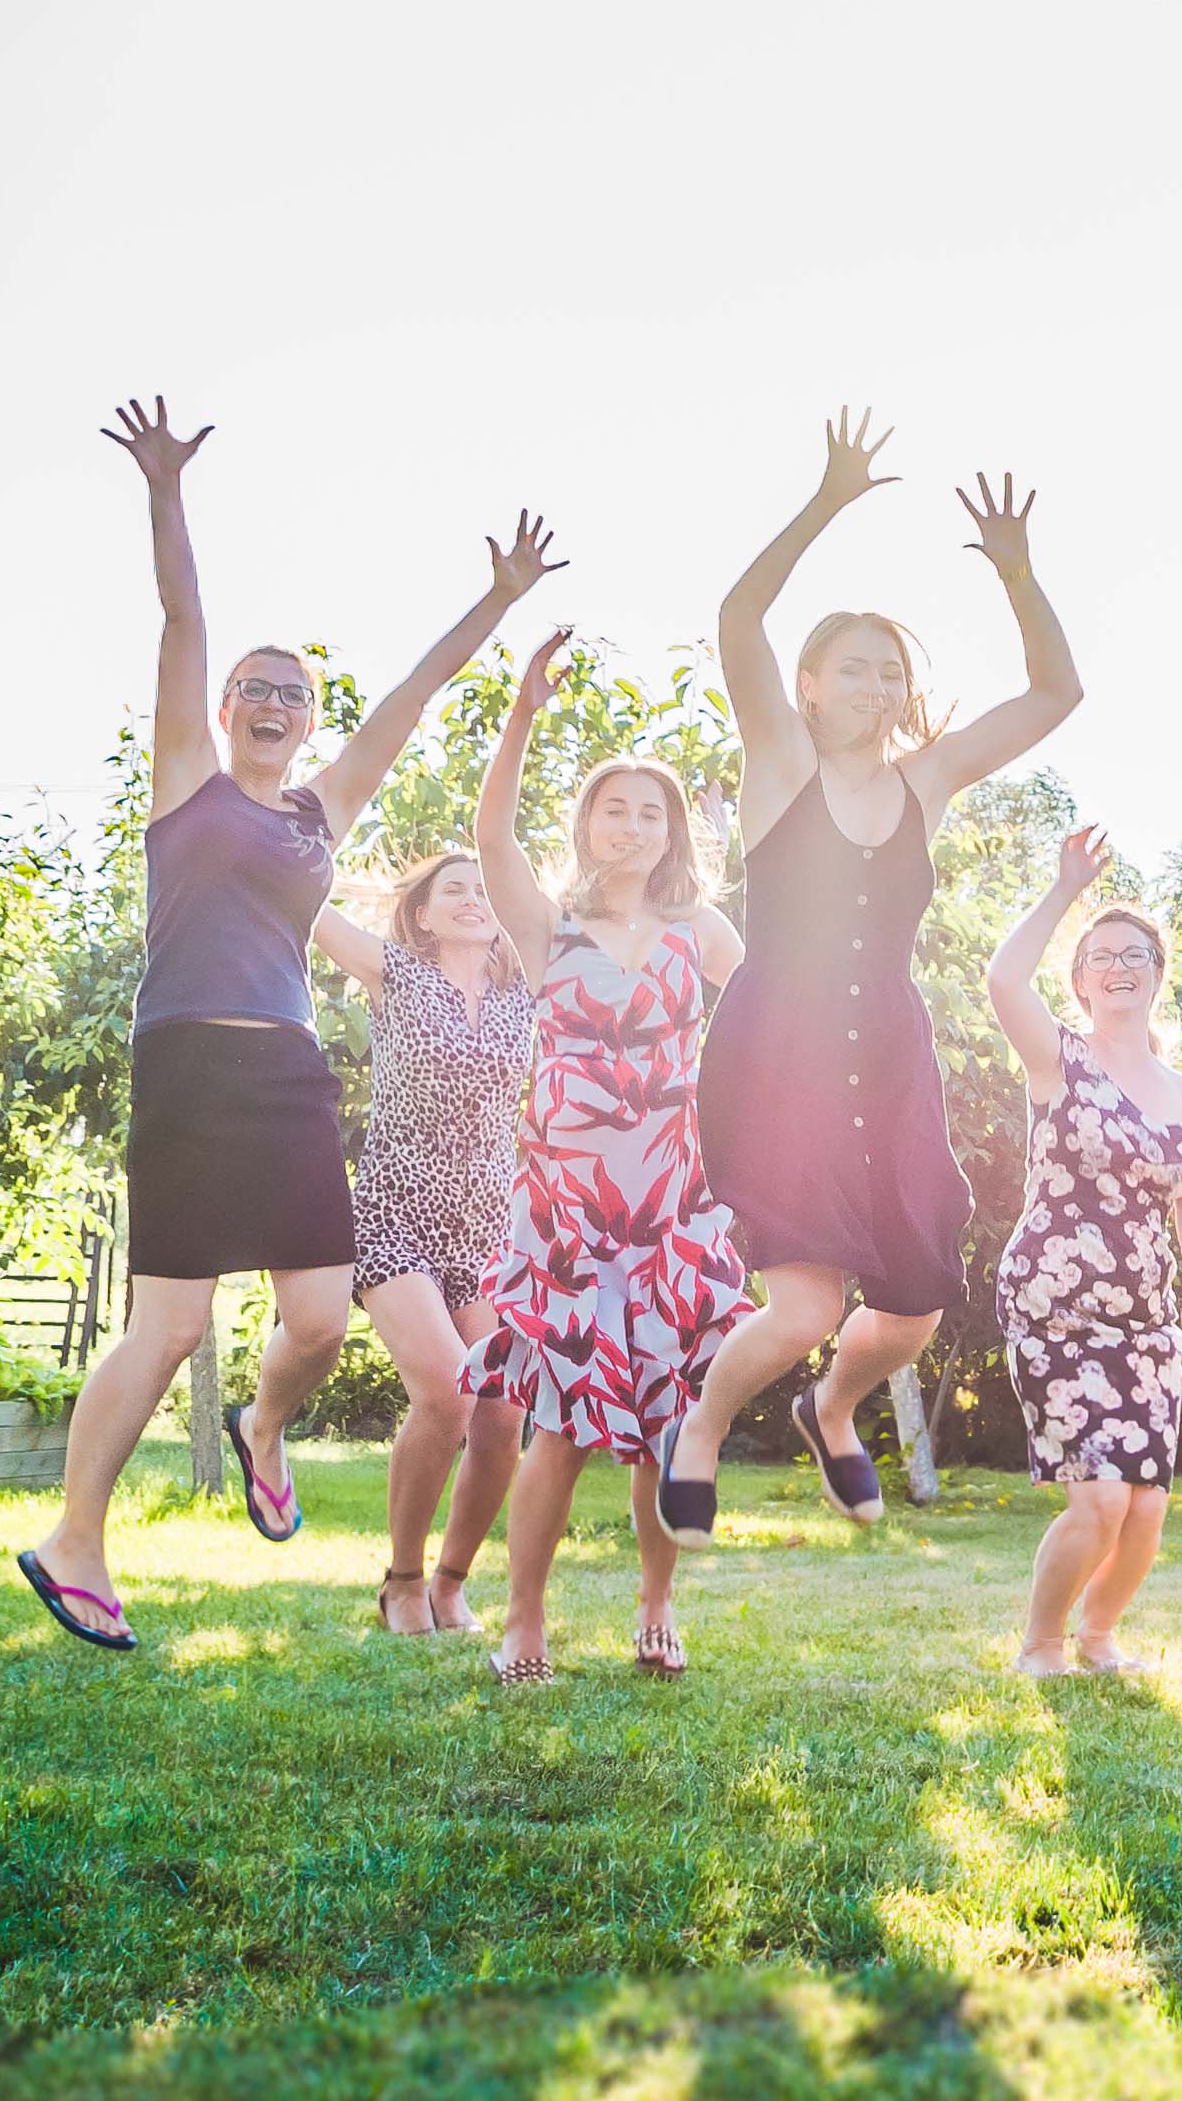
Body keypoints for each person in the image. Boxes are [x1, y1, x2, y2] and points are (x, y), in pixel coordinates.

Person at [13, 398, 556, 1656]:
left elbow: (414, 699)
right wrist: (165, 489)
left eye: (291, 693)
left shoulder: (321, 811)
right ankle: (74, 1540)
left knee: (317, 1317)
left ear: (311, 721)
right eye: (253, 688)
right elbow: (182, 624)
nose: (268, 700)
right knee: (172, 1319)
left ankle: (265, 1428)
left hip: (290, 1070)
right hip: (191, 1061)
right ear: (225, 711)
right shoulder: (186, 787)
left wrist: (498, 600)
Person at [665, 413, 1083, 1538]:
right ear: (805, 685)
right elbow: (738, 615)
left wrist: (1018, 573)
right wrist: (829, 496)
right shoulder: (778, 761)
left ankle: (832, 1410)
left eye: (890, 671)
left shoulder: (928, 780)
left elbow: (1055, 694)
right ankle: (698, 1428)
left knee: (908, 1309)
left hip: (892, 1064)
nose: (875, 683)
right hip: (779, 1062)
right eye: (853, 666)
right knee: (802, 1303)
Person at [461, 632, 752, 1685]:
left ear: (674, 829)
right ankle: (523, 1617)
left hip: (672, 1202)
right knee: (561, 1430)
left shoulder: (699, 928)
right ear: (584, 822)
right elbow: (490, 832)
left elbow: (769, 1023)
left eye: (650, 809)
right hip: (570, 1206)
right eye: (612, 806)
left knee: (671, 1421)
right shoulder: (548, 926)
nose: (630, 824)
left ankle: (656, 1601)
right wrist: (524, 712)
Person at [984, 826, 1182, 1675]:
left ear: (1158, 975)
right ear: (1081, 981)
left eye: (1136, 954)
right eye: (1101, 956)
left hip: (1146, 1319)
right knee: (1098, 1497)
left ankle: (1097, 1637)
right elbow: (1000, 978)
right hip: (1055, 1306)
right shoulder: (1058, 1059)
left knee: (1146, 1511)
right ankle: (1040, 1644)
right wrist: (1063, 891)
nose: (1119, 965)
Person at [309, 851, 539, 1635]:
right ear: (422, 913)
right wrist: (279, 833)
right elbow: (304, 902)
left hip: (486, 1229)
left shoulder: (527, 990)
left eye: (485, 887)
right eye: (455, 890)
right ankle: (401, 1580)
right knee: (448, 1391)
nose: (475, 899)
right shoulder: (394, 971)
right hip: (393, 1212)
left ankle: (449, 1582)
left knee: (505, 1414)